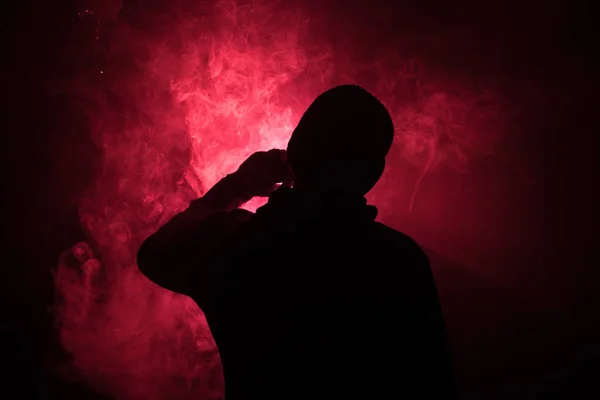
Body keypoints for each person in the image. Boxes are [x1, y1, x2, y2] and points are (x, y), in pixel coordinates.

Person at [137, 85, 455, 399]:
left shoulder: (234, 242)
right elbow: (435, 382)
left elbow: (154, 254)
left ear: (292, 149)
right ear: (374, 172)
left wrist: (236, 186)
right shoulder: (398, 261)